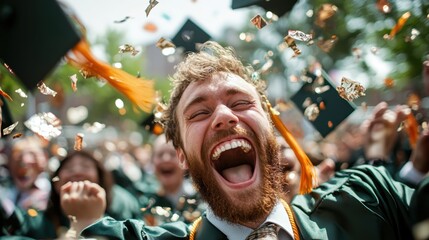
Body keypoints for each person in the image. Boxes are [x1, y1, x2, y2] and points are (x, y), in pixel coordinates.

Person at [39, 41, 428, 240]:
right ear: (182, 157)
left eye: (241, 103)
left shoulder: (368, 203)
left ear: (272, 132)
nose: (225, 116)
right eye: (199, 112)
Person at [1, 150, 142, 239]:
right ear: (56, 184)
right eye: (69, 168)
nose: (77, 172)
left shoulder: (120, 220)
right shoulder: (38, 221)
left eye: (86, 167)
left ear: (100, 181)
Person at [143, 134, 205, 225]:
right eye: (160, 155)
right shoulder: (145, 202)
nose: (166, 159)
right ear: (152, 162)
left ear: (185, 161)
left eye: (172, 154)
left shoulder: (201, 200)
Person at [0, 136, 50, 211]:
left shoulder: (52, 192)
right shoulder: (4, 189)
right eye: (18, 155)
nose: (25, 161)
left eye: (33, 154)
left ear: (45, 159)